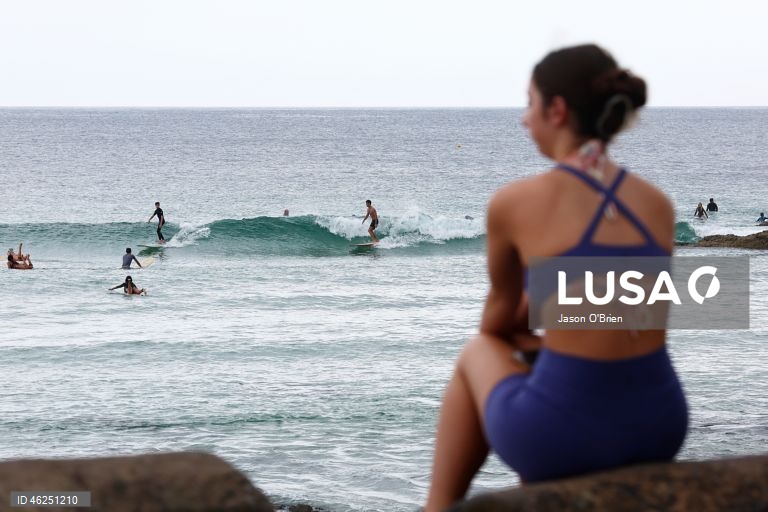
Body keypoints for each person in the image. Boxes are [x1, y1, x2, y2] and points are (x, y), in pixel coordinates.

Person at [425, 44, 687, 512]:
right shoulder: (657, 204)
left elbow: (495, 326)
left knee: (477, 351)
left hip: (565, 434)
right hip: (659, 424)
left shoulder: (516, 201)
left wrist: (535, 330)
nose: (525, 119)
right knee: (547, 364)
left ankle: (438, 506)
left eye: (530, 103)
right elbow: (624, 309)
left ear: (558, 110)